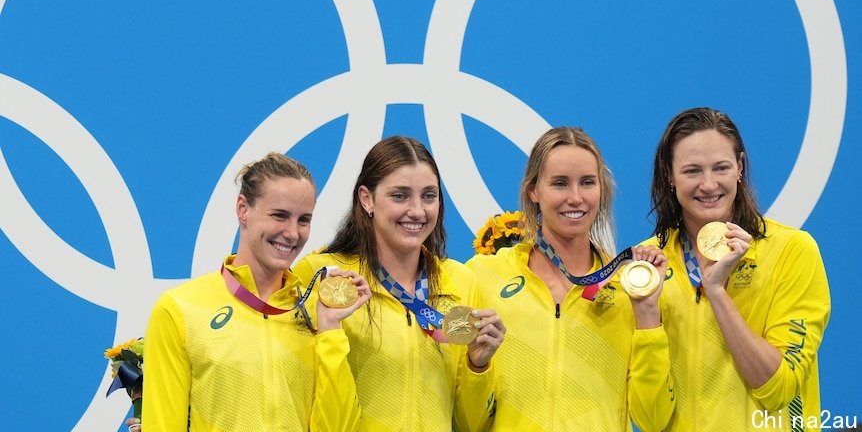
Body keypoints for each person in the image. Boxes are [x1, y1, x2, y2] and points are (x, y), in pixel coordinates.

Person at [140, 152, 371, 431]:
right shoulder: (180, 309)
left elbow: (339, 428)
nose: (292, 233)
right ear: (243, 208)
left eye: (303, 219)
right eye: (279, 215)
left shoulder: (316, 313)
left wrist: (331, 329)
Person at [466, 126, 675, 431]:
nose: (575, 198)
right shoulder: (485, 276)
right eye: (560, 184)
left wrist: (646, 314)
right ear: (533, 191)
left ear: (601, 190)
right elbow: (467, 422)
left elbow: (652, 419)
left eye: (587, 183)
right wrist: (477, 366)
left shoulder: (628, 285)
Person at [293, 136, 505, 432]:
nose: (417, 211)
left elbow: (472, 425)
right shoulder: (325, 277)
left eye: (429, 196)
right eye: (400, 196)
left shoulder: (459, 281)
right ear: (367, 199)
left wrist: (477, 366)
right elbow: (302, 398)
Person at [643, 107, 830, 431]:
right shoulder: (649, 265)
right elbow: (648, 418)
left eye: (721, 167)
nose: (708, 183)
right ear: (670, 175)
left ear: (740, 168)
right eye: (691, 171)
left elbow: (779, 388)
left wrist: (716, 292)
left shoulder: (792, 251)